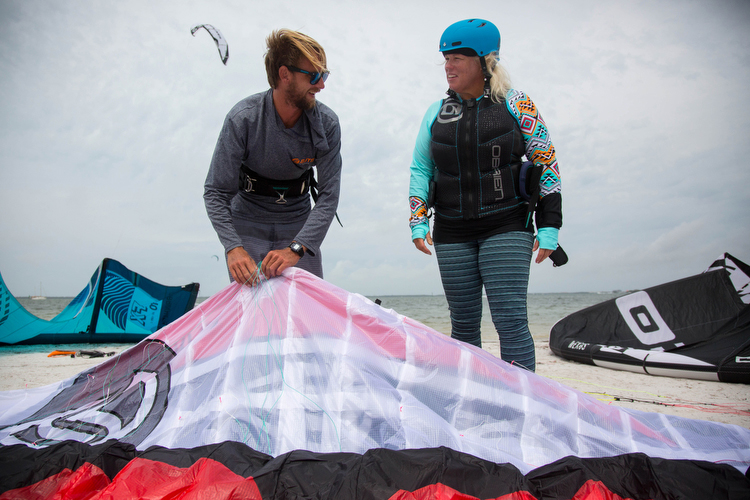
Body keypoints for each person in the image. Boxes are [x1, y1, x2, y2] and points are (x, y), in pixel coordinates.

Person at [408, 19, 562, 372]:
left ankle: (523, 404)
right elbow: (420, 169)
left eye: (458, 57)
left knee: (509, 320)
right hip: (451, 229)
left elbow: (546, 163)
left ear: (485, 61)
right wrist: (418, 221)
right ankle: (472, 399)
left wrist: (549, 227)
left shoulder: (517, 104)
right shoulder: (436, 113)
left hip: (506, 224)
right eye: (446, 58)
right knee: (462, 324)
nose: (448, 66)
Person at [204, 29, 342, 287]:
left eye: (324, 75)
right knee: (253, 314)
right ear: (284, 74)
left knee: (307, 313)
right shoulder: (242, 119)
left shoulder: (328, 124)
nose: (322, 85)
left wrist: (296, 248)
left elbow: (329, 196)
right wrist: (233, 246)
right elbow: (215, 191)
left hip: (298, 220)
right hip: (247, 218)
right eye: (313, 75)